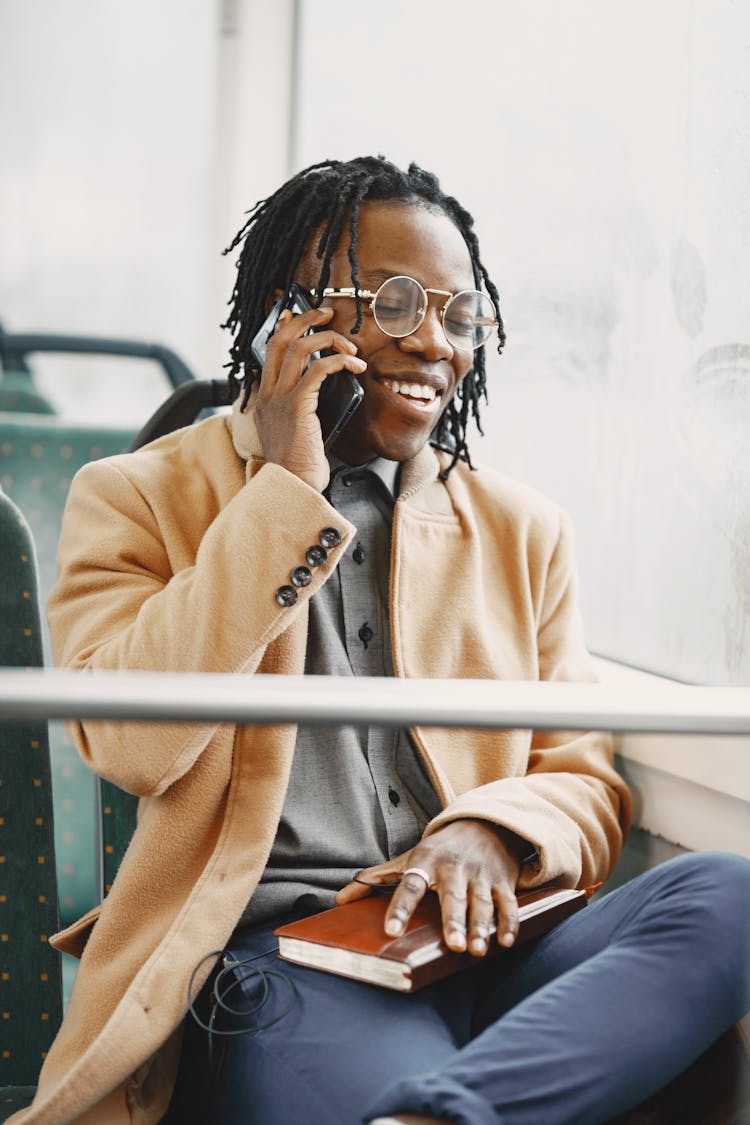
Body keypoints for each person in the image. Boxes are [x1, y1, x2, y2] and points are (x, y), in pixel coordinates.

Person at [14, 156, 749, 1125]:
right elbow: (134, 743)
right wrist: (284, 493)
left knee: (725, 896)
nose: (438, 344)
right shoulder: (139, 497)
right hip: (291, 960)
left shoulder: (524, 532)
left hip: (487, 939)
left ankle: (442, 1115)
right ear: (294, 318)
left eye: (460, 313)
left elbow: (584, 777)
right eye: (398, 304)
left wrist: (491, 830)